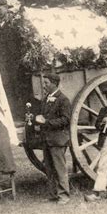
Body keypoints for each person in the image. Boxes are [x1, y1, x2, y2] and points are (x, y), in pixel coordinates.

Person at [35, 73, 71, 205]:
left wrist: (46, 122)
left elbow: (66, 120)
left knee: (60, 168)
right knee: (49, 168)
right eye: (44, 83)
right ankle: (53, 194)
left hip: (57, 139)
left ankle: (64, 196)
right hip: (47, 139)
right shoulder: (46, 99)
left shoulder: (63, 100)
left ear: (54, 83)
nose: (44, 86)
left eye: (46, 83)